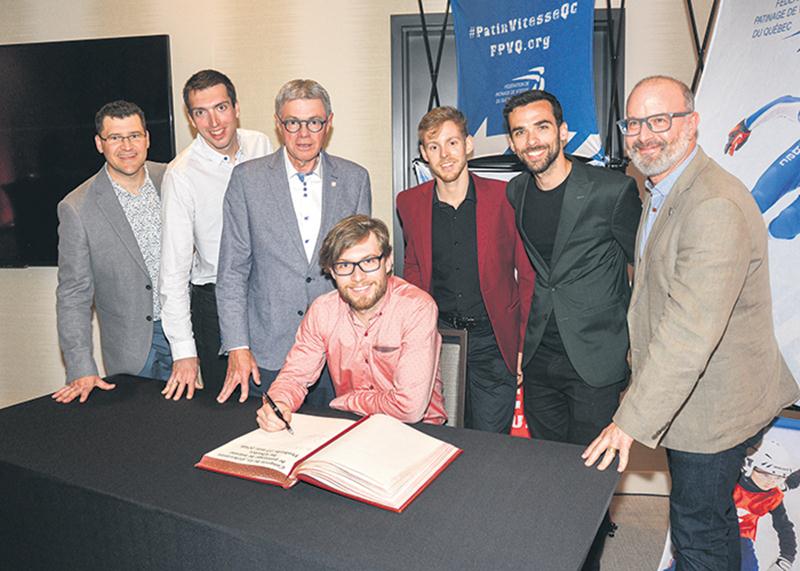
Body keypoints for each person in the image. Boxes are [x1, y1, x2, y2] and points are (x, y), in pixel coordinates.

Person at [582, 75, 800, 570]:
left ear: (693, 124)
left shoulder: (713, 206)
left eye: (660, 120)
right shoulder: (663, 189)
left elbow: (688, 333)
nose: (644, 135)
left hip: (715, 410)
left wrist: (629, 421)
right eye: (633, 123)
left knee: (696, 531)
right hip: (699, 396)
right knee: (715, 518)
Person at [504, 89, 641, 570]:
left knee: (590, 478)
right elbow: (544, 273)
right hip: (542, 353)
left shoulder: (612, 189)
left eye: (541, 127)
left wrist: (637, 357)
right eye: (520, 131)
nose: (531, 140)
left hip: (596, 355)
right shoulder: (516, 191)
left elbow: (641, 273)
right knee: (550, 470)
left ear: (563, 131)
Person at [216, 79, 371, 404]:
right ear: (278, 124)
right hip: (268, 351)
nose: (304, 134)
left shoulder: (355, 180)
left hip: (338, 354)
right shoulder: (247, 180)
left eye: (314, 122)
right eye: (293, 123)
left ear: (328, 124)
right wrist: (237, 346)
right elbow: (232, 272)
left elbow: (364, 275)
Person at [396, 106, 534, 433]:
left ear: (468, 144)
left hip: (493, 339)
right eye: (434, 146)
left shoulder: (505, 197)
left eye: (452, 143)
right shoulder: (409, 202)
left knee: (490, 443)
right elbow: (414, 269)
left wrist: (523, 345)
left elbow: (527, 276)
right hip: (439, 339)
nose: (444, 155)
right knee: (439, 437)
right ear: (423, 154)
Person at [257, 215, 446, 430]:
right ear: (331, 272)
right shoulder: (322, 311)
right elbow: (294, 376)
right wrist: (280, 402)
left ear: (388, 262)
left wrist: (347, 401)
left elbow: (410, 408)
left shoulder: (416, 308)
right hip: (355, 427)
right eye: (345, 265)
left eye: (368, 262)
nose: (358, 277)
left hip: (421, 430)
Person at [159, 70, 272, 401]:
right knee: (231, 413)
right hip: (216, 304)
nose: (214, 122)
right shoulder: (181, 175)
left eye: (221, 107)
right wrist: (183, 351)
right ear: (191, 119)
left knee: (277, 402)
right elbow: (174, 271)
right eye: (200, 112)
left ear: (236, 107)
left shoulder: (261, 145)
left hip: (267, 297)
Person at [54, 101, 170, 403]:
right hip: (131, 350)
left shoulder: (173, 179)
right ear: (99, 143)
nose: (127, 146)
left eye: (133, 135)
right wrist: (80, 366)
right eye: (115, 138)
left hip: (186, 337)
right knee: (139, 436)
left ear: (147, 138)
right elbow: (73, 293)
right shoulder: (76, 207)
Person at [735, 440, 797, 571]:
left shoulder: (773, 496)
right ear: (749, 466)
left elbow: (785, 528)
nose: (771, 482)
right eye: (766, 475)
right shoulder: (727, 481)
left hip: (741, 539)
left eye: (779, 477)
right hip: (707, 532)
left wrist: (787, 557)